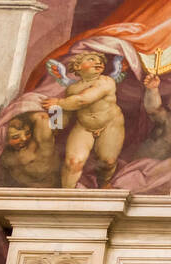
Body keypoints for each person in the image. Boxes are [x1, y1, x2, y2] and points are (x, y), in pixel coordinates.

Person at [44, 51, 126, 187]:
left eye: (100, 61)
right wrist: (55, 125)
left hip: (110, 125)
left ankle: (104, 183)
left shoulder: (106, 82)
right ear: (77, 67)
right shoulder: (72, 89)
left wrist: (58, 102)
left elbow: (83, 100)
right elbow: (66, 114)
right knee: (73, 162)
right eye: (91, 59)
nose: (98, 62)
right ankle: (66, 194)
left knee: (108, 162)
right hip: (84, 127)